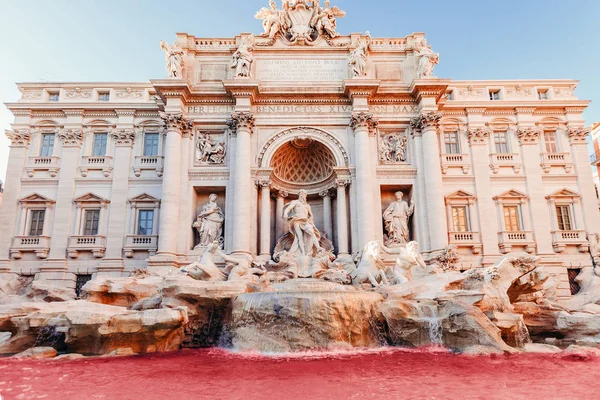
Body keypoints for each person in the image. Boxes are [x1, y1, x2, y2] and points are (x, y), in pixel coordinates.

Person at [283, 190, 324, 256]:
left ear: (305, 196)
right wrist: (285, 213)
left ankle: (318, 247)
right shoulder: (295, 202)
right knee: (300, 237)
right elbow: (289, 208)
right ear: (299, 195)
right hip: (297, 220)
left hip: (305, 221)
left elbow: (311, 215)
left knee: (312, 233)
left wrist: (310, 220)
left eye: (304, 194)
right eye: (301, 194)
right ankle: (303, 253)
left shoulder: (307, 205)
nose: (302, 195)